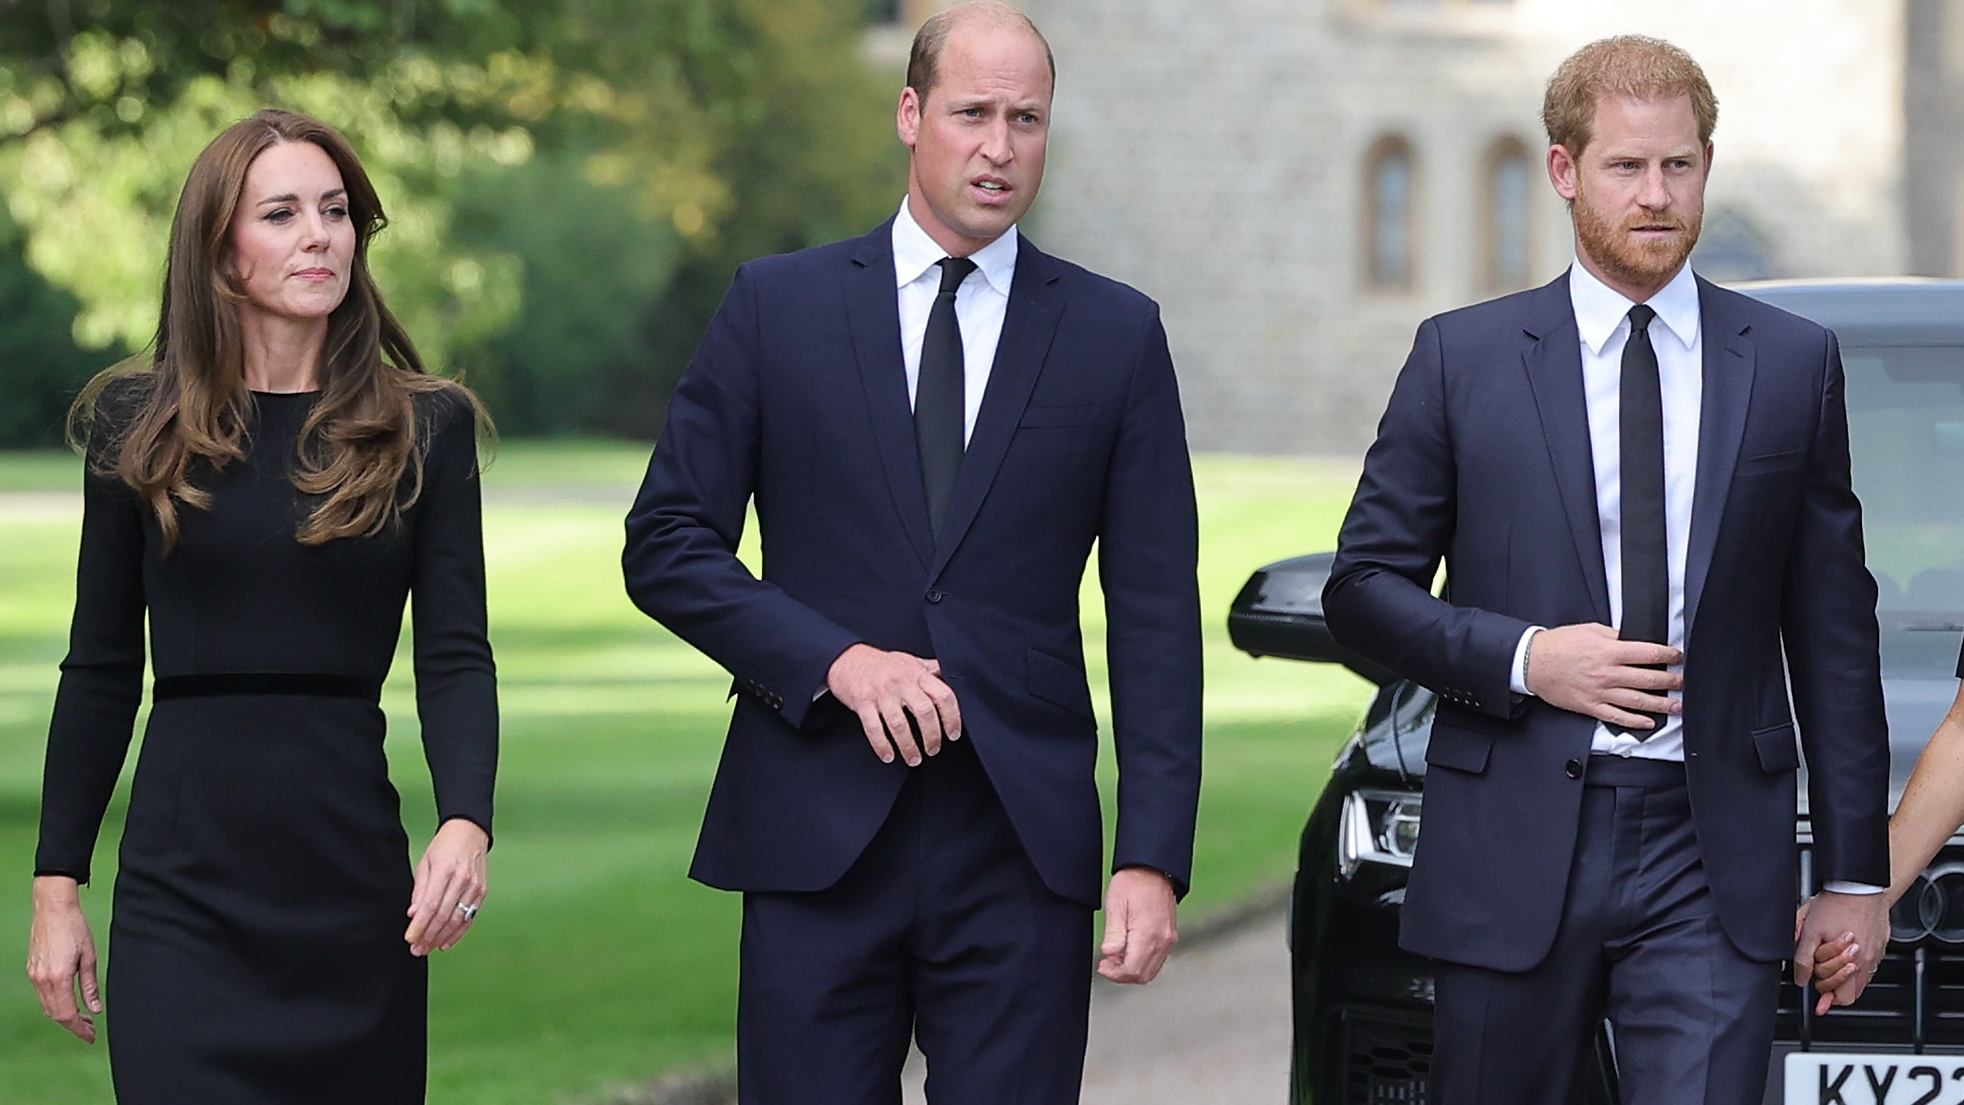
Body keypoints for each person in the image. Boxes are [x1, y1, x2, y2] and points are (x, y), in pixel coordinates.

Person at [620, 3, 1202, 1102]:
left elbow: (1157, 615)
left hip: (1019, 844)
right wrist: (835, 661)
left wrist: (1150, 853)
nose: (999, 146)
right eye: (971, 113)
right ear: (909, 114)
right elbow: (666, 543)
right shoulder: (775, 308)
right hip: (813, 830)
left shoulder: (1115, 335)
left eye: (1025, 119)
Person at [1321, 35, 1891, 1105]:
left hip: (1709, 850)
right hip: (1510, 838)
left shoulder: (1788, 364)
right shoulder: (1461, 358)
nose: (1655, 195)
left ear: (1707, 167)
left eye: (1678, 164)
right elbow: (1361, 592)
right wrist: (1530, 659)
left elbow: (1833, 633)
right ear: (1563, 170)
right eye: (1625, 166)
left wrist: (1855, 875)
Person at [23, 108, 497, 1104]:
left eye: (335, 211)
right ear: (218, 248)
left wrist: (466, 821)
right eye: (281, 214)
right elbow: (100, 667)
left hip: (351, 889)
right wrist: (56, 888)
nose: (318, 235)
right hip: (182, 896)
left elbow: (455, 652)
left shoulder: (424, 426)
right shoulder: (136, 425)